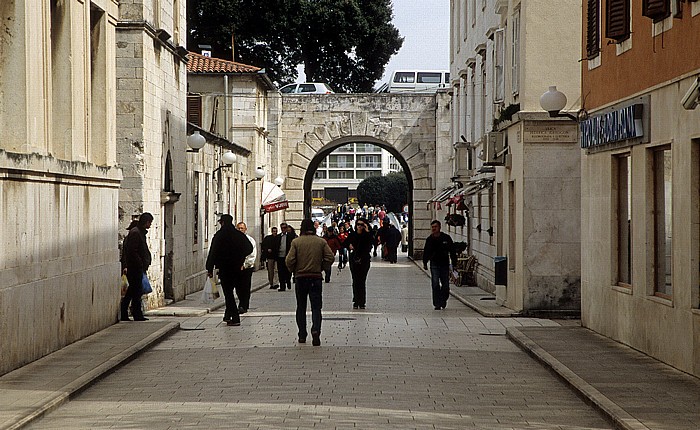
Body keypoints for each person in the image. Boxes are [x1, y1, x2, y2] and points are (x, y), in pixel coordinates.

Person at [286, 219, 334, 346]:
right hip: (315, 277)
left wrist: (294, 270)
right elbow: (330, 257)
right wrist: (321, 267)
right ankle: (316, 329)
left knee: (301, 307)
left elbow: (289, 260)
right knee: (316, 307)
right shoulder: (321, 242)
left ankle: (302, 334)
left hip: (301, 277)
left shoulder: (296, 242)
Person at [206, 214, 253, 326]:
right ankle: (227, 316)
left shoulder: (219, 235)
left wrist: (209, 267)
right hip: (237, 268)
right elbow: (249, 248)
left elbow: (213, 252)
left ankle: (235, 318)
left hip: (225, 269)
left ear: (222, 222)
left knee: (228, 294)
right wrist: (240, 257)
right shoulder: (238, 235)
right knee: (232, 293)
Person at [120, 213, 154, 321]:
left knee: (133, 291)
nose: (150, 225)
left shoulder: (139, 233)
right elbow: (132, 251)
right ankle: (135, 314)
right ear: (146, 222)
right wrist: (140, 263)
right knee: (135, 292)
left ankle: (130, 313)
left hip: (137, 268)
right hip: (134, 268)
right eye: (150, 222)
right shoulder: (136, 233)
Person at [422, 220, 457, 310]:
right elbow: (426, 251)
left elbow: (452, 251)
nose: (434, 229)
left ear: (439, 227)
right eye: (432, 227)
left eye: (435, 227)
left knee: (446, 285)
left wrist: (454, 263)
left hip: (444, 264)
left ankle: (443, 299)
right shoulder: (429, 239)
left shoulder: (446, 238)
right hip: (434, 264)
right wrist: (425, 262)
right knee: (435, 284)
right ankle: (437, 303)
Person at [344, 218, 374, 309]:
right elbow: (345, 243)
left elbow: (373, 243)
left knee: (362, 280)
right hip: (354, 260)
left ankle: (362, 301)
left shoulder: (367, 235)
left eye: (362, 225)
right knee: (355, 280)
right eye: (358, 224)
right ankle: (356, 300)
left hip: (364, 260)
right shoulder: (352, 235)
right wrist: (349, 246)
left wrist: (368, 231)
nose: (360, 226)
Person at [236, 222, 257, 314]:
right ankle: (241, 302)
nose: (240, 230)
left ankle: (243, 305)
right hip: (237, 267)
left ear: (245, 229)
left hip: (247, 267)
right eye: (239, 228)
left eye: (242, 228)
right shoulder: (234, 240)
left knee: (245, 286)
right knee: (238, 287)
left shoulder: (250, 240)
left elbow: (252, 255)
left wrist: (244, 265)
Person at [275, 222, 297, 291]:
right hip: (280, 257)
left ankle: (288, 281)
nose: (283, 229)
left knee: (288, 271)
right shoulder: (278, 237)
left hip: (287, 256)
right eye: (282, 228)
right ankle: (282, 286)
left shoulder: (290, 236)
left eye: (285, 228)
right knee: (280, 272)